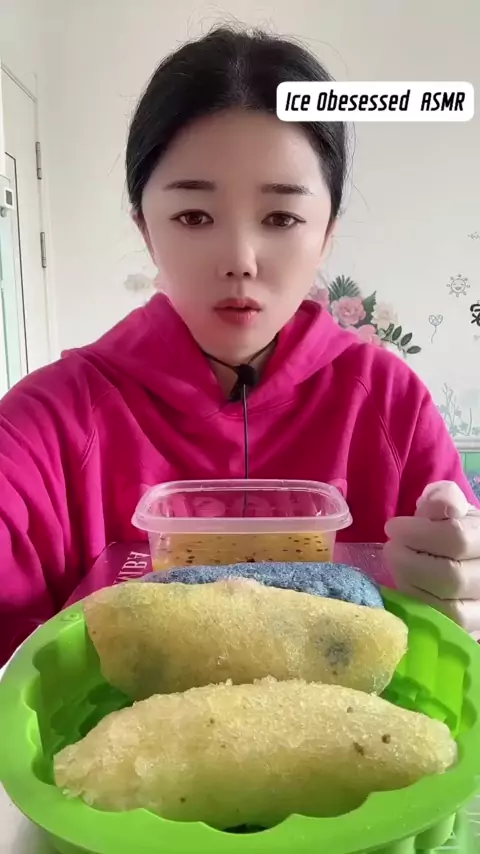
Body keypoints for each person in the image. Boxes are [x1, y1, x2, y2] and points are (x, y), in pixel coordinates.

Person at [1, 26, 479, 667]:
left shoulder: (391, 406)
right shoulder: (50, 423)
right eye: (194, 217)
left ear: (327, 233)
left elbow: (455, 613)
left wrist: (462, 587)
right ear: (146, 228)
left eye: (281, 218)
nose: (240, 259)